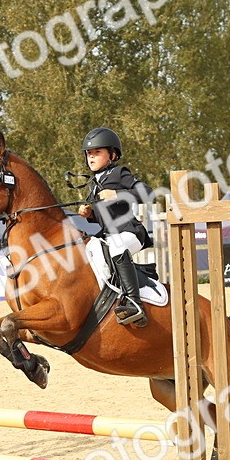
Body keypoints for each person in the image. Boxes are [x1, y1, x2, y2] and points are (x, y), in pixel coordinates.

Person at [75, 127, 154, 327]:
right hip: (108, 235)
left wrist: (117, 195)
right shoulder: (93, 185)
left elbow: (147, 193)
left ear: (113, 154)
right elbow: (103, 217)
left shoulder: (119, 173)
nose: (91, 157)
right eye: (89, 154)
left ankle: (136, 303)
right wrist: (90, 214)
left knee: (117, 247)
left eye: (97, 153)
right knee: (91, 247)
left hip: (130, 232)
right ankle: (107, 300)